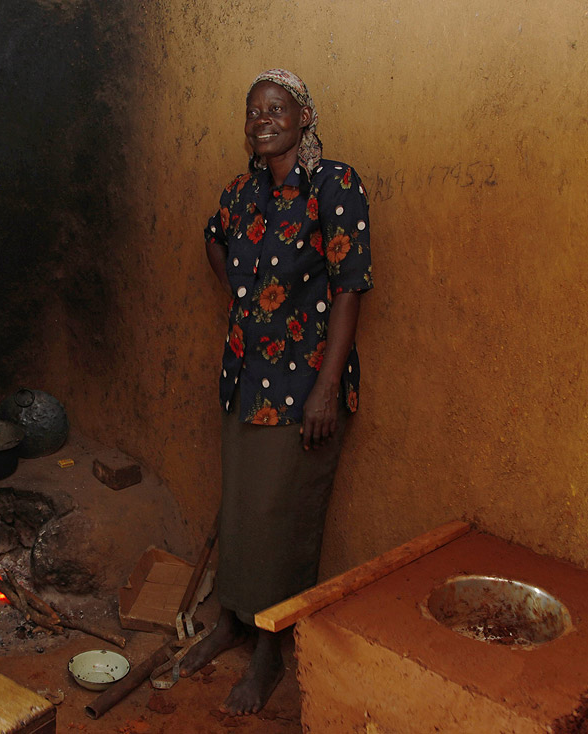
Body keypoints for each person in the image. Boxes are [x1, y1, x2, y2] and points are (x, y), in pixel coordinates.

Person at [180, 69, 373, 715]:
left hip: (301, 387)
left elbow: (349, 287)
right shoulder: (242, 191)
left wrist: (325, 389)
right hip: (244, 373)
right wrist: (241, 301)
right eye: (253, 110)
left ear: (303, 117)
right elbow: (213, 235)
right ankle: (232, 622)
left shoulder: (334, 185)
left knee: (283, 519)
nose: (263, 119)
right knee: (240, 509)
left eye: (277, 108)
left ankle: (269, 651)